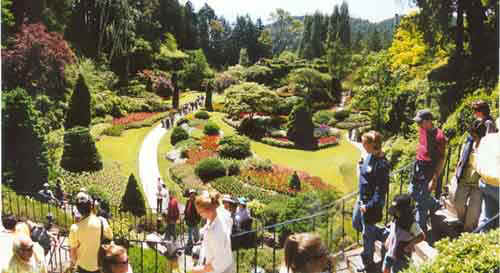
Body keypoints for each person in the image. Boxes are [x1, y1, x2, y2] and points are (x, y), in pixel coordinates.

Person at [352, 130, 390, 272]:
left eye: (364, 143)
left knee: (367, 235)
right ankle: (386, 234)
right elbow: (366, 171)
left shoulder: (382, 166)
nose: (362, 145)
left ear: (373, 145)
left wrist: (368, 206)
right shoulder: (369, 156)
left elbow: (381, 192)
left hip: (369, 206)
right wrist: (361, 164)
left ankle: (367, 263)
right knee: (356, 223)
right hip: (361, 200)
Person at [410, 109, 447, 235]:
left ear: (429, 121)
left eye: (420, 122)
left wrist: (435, 178)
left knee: (421, 202)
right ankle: (435, 204)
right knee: (412, 192)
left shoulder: (440, 137)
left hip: (430, 168)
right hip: (418, 166)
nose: (418, 125)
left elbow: (442, 159)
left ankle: (420, 230)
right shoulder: (422, 129)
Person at [449, 120, 486, 232]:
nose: (472, 136)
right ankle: (463, 221)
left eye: (474, 135)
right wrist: (457, 172)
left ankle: (467, 232)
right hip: (464, 179)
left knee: (474, 211)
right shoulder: (469, 142)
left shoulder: (488, 146)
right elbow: (462, 159)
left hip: (479, 183)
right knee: (458, 203)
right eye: (472, 134)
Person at [69, 192, 113, 273]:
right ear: (91, 206)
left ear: (78, 209)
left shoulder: (74, 228)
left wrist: (75, 264)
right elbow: (110, 238)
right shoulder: (102, 221)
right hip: (99, 265)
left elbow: (73, 253)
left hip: (83, 267)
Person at [193, 192, 235, 273]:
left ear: (208, 210)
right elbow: (229, 218)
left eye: (200, 212)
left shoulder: (216, 232)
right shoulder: (218, 214)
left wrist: (198, 270)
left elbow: (218, 262)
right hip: (227, 262)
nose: (199, 214)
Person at [383, 195, 425, 273]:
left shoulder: (411, 223)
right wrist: (388, 239)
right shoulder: (396, 218)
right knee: (385, 269)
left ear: (404, 211)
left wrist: (410, 244)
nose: (395, 212)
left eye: (397, 210)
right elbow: (393, 231)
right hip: (390, 251)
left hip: (401, 255)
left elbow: (421, 236)